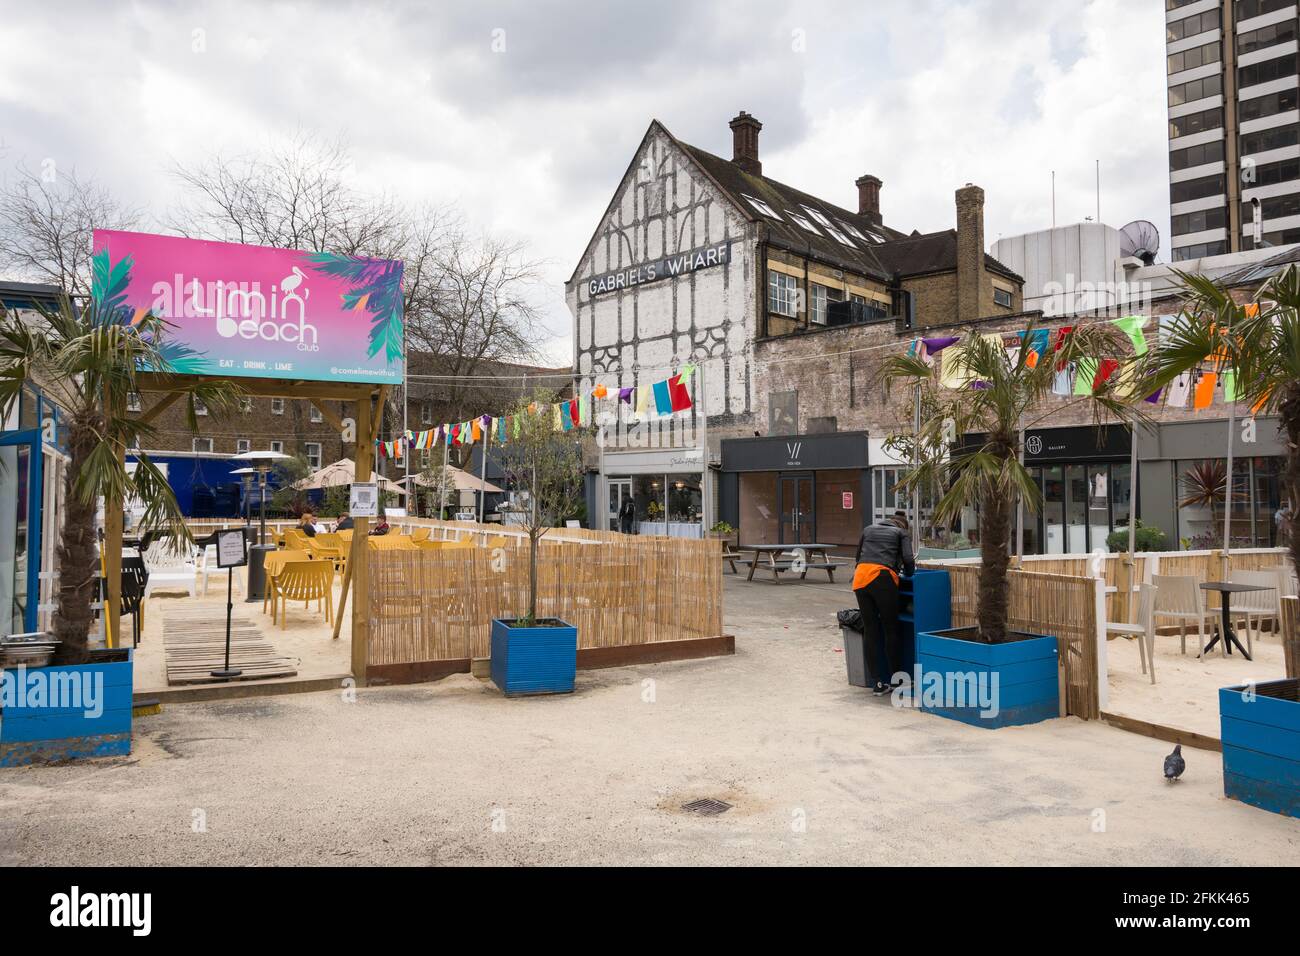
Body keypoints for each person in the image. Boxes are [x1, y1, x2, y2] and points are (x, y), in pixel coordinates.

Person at [853, 513, 915, 696]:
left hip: (860, 578)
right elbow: (909, 560)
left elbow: (858, 557)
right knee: (891, 629)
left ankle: (877, 683)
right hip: (882, 578)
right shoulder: (901, 533)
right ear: (903, 525)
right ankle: (897, 680)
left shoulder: (868, 529)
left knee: (870, 629)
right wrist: (909, 573)